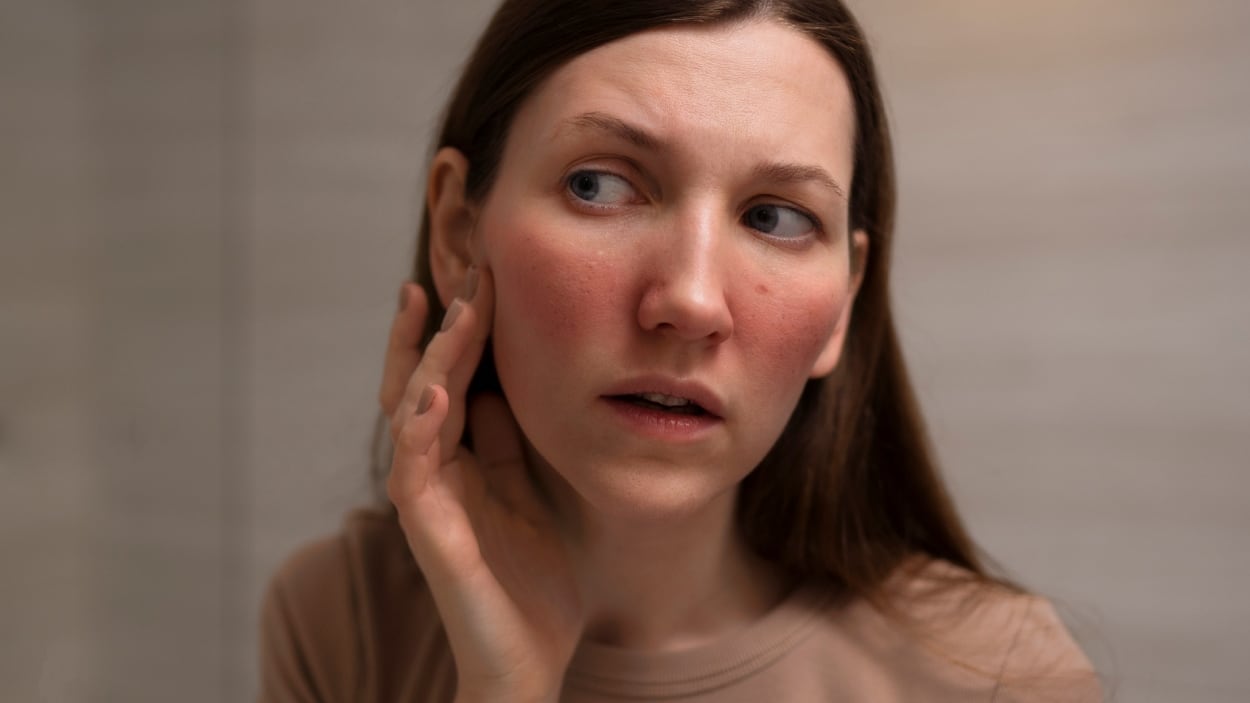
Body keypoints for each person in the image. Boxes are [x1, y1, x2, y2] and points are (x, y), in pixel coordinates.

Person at [258, 1, 1102, 701]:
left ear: (844, 301)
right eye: (599, 185)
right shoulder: (345, 621)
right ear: (457, 232)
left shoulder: (1002, 677)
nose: (692, 301)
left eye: (774, 217)